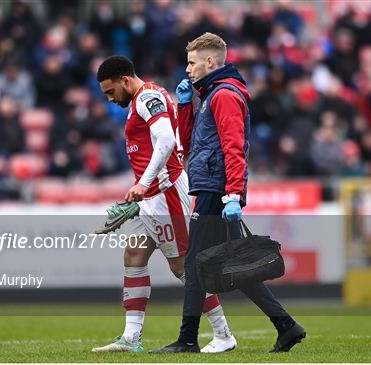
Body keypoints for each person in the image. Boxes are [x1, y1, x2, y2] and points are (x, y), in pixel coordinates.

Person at [151, 33, 306, 354]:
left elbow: (234, 148)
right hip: (212, 186)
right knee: (233, 263)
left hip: (217, 190)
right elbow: (192, 144)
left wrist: (233, 194)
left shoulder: (223, 96)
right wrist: (184, 106)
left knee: (195, 263)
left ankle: (188, 338)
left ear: (210, 62)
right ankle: (286, 326)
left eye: (192, 63)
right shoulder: (210, 94)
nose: (188, 69)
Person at [91, 56, 235, 353]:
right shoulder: (140, 101)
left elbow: (167, 140)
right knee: (133, 255)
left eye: (110, 91)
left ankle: (223, 334)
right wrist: (144, 189)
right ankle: (131, 338)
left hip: (166, 194)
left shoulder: (149, 97)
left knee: (183, 266)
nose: (109, 99)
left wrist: (144, 183)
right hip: (152, 198)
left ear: (125, 81)